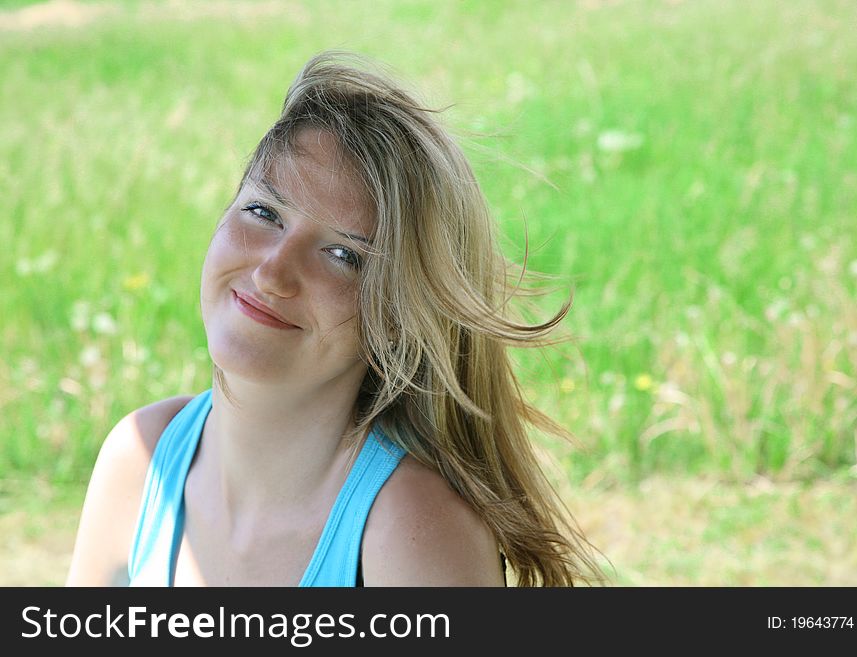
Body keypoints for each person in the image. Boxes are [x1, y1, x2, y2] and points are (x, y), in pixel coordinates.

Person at [66, 51, 605, 587]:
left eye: (344, 255)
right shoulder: (142, 459)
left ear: (396, 318)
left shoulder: (412, 529)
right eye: (264, 212)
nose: (273, 272)